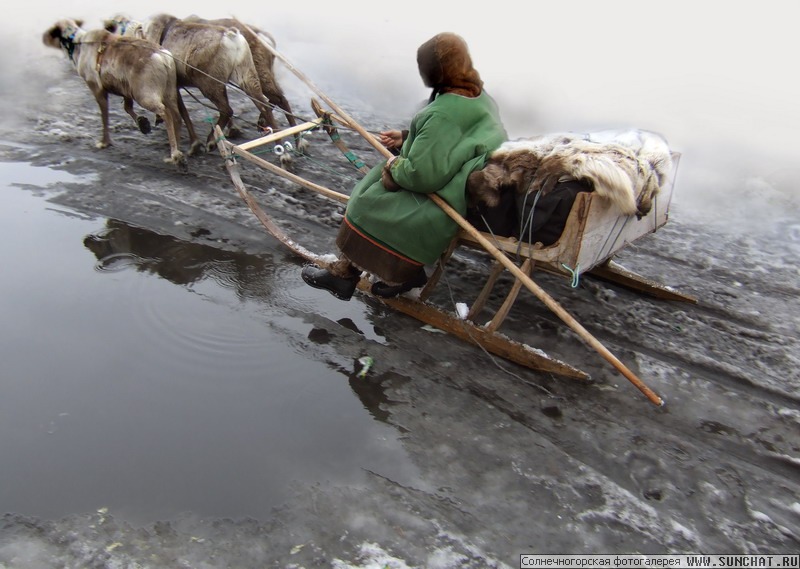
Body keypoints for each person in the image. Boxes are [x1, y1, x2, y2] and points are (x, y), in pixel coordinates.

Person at [301, 32, 508, 301]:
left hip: (450, 196)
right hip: (464, 179)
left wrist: (393, 166)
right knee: (377, 191)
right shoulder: (479, 96)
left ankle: (348, 276)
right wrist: (408, 137)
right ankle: (392, 274)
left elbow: (421, 176)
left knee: (368, 202)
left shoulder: (440, 113)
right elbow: (456, 139)